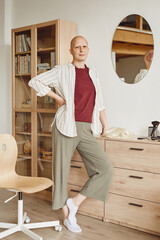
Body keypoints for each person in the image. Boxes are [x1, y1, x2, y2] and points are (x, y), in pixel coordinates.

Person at [28, 36, 113, 233]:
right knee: (61, 172)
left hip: (86, 128)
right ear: (71, 50)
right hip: (65, 126)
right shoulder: (62, 71)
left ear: (88, 49)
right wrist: (57, 97)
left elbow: (99, 103)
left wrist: (105, 127)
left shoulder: (93, 74)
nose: (81, 49)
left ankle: (74, 202)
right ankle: (67, 217)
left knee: (105, 169)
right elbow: (35, 81)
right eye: (77, 46)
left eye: (84, 46)